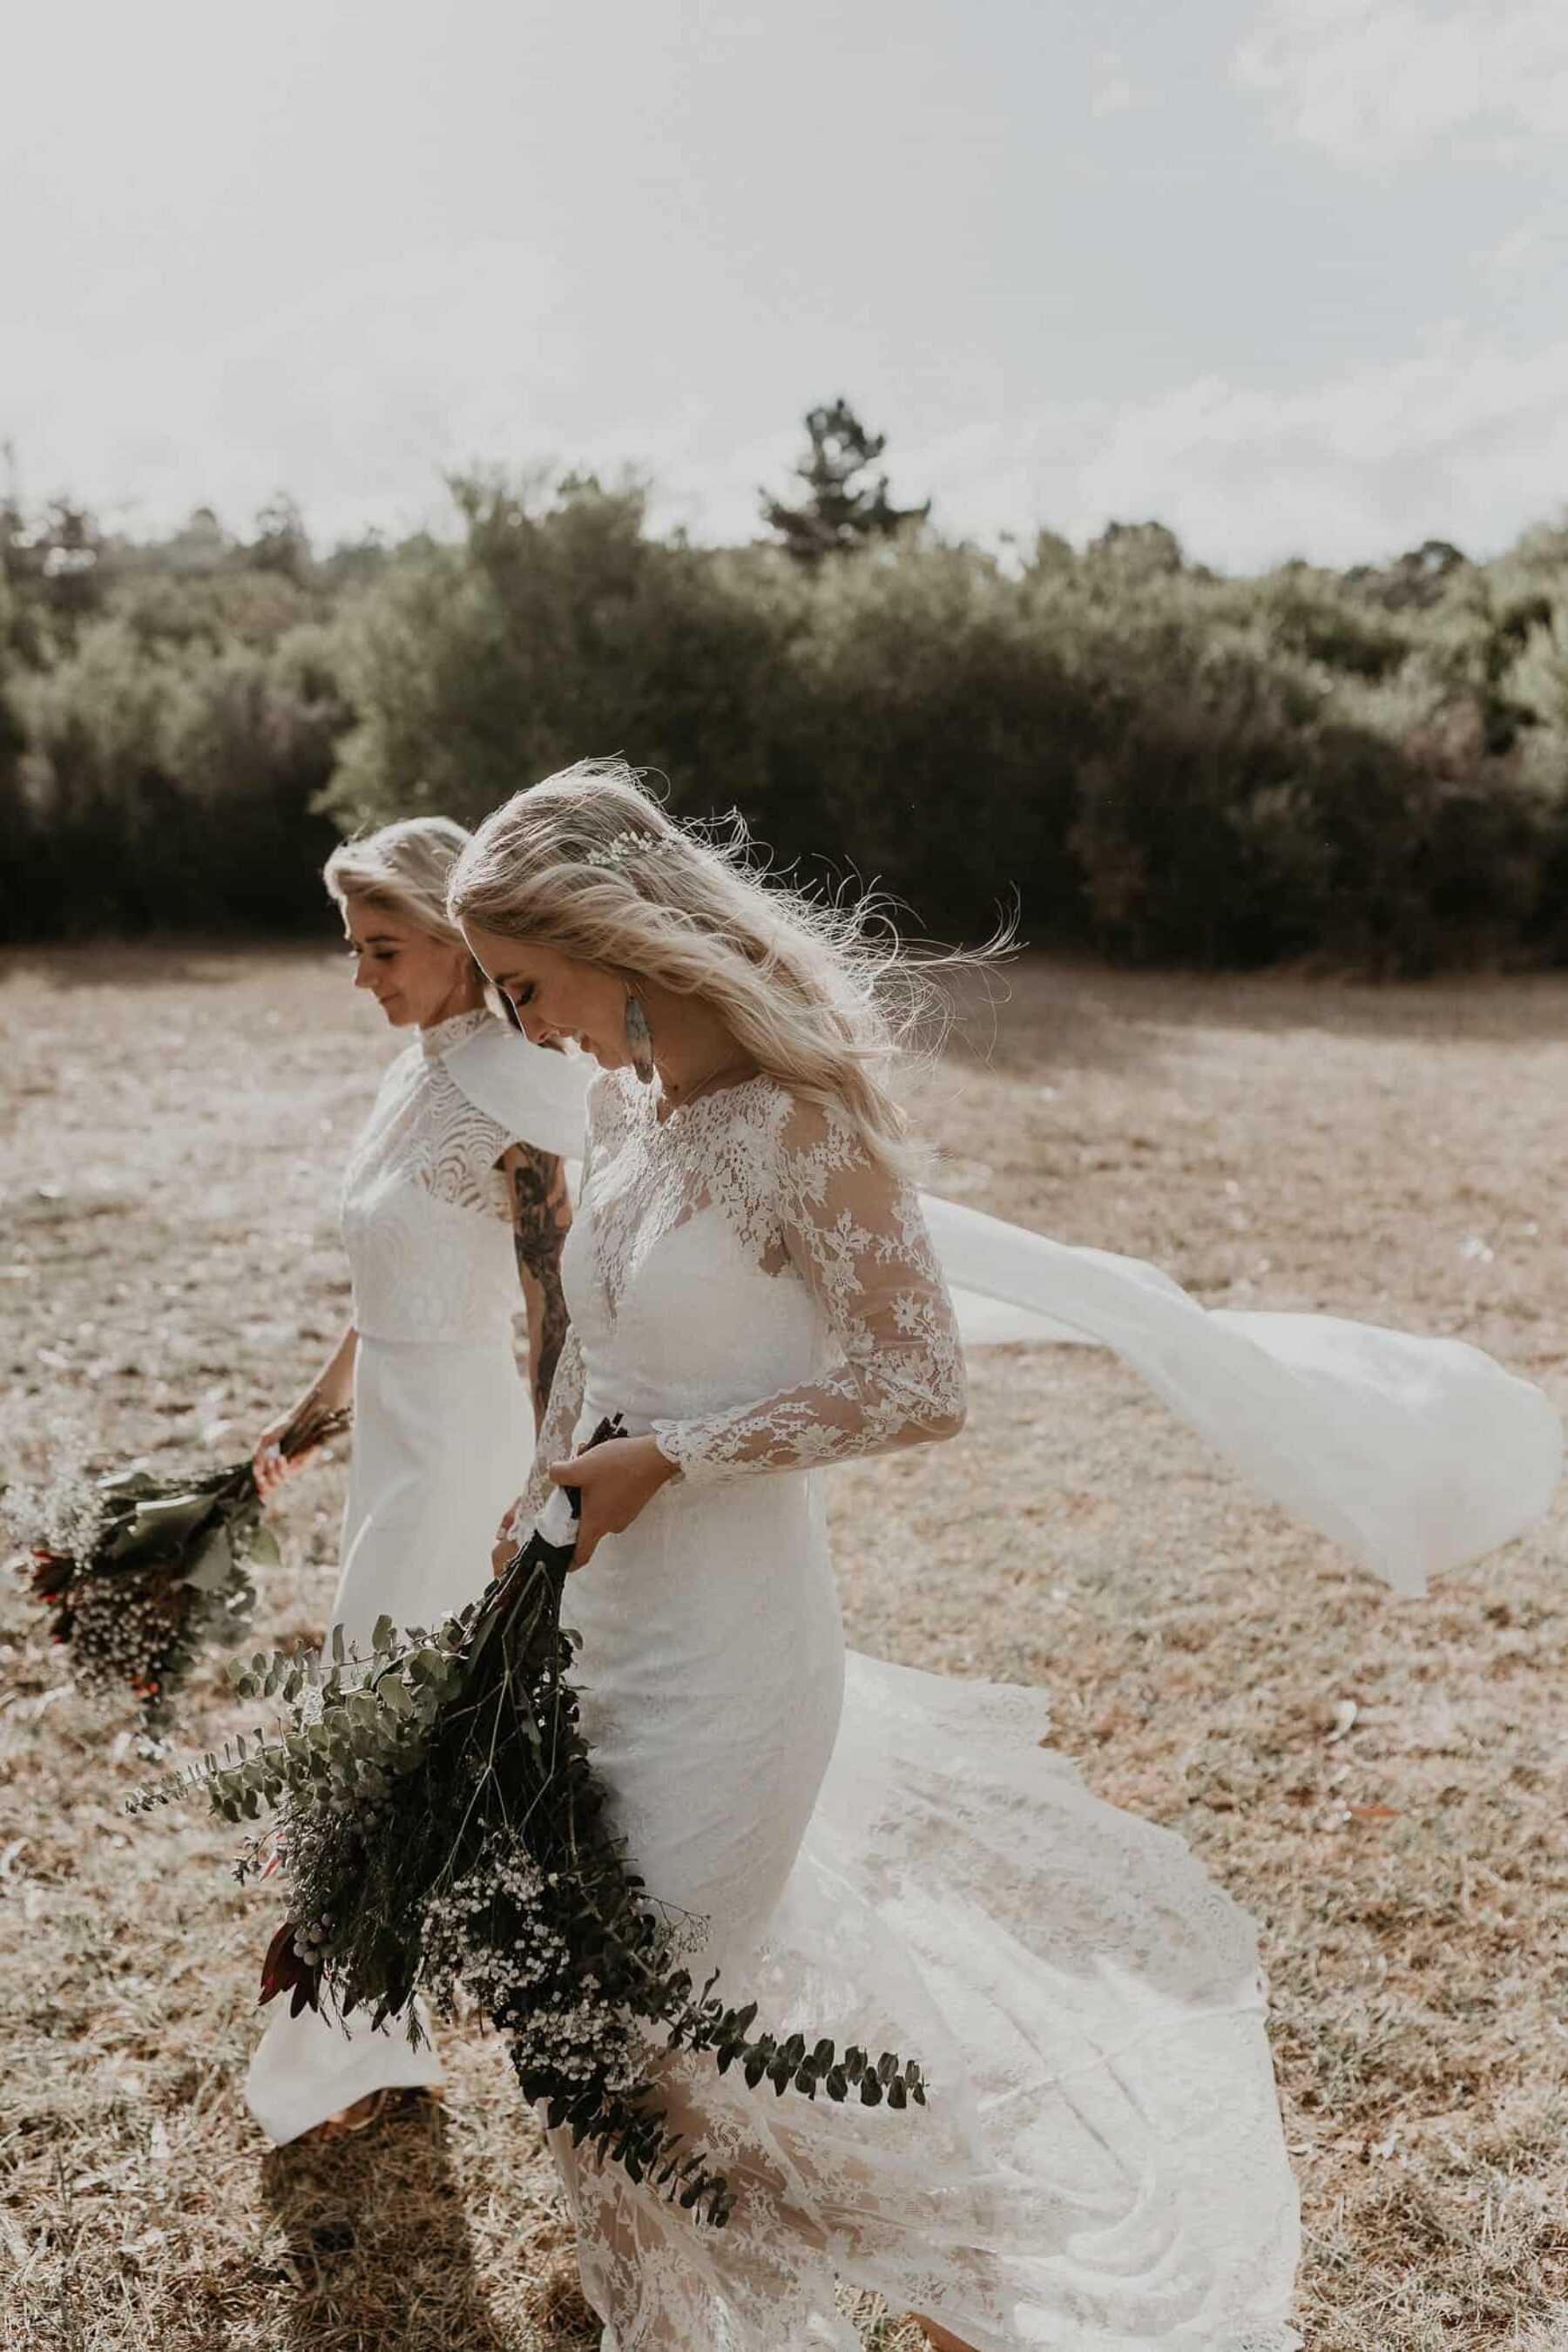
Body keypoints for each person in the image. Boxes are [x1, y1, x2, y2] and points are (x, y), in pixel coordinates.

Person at [449, 760, 1558, 2352]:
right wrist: (536, 1497)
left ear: (615, 940)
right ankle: (773, 2302)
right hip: (597, 1624)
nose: (520, 1018)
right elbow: (592, 1360)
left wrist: (672, 1456)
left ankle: (968, 2273)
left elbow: (919, 1381)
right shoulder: (621, 1123)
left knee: (645, 2030)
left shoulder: (803, 1128)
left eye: (527, 983)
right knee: (612, 2033)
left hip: (737, 1649)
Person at [244, 815, 591, 2148]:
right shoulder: (417, 1071)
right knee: (370, 1721)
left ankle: (347, 2045)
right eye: (353, 949)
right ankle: (376, 2033)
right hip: (390, 1424)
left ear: (461, 944)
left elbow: (552, 1302)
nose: (361, 978)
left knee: (370, 1723)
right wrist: (311, 1413)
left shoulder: (523, 1089)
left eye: (383, 948)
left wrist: (548, 1481)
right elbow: (385, 1276)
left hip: (461, 1443)